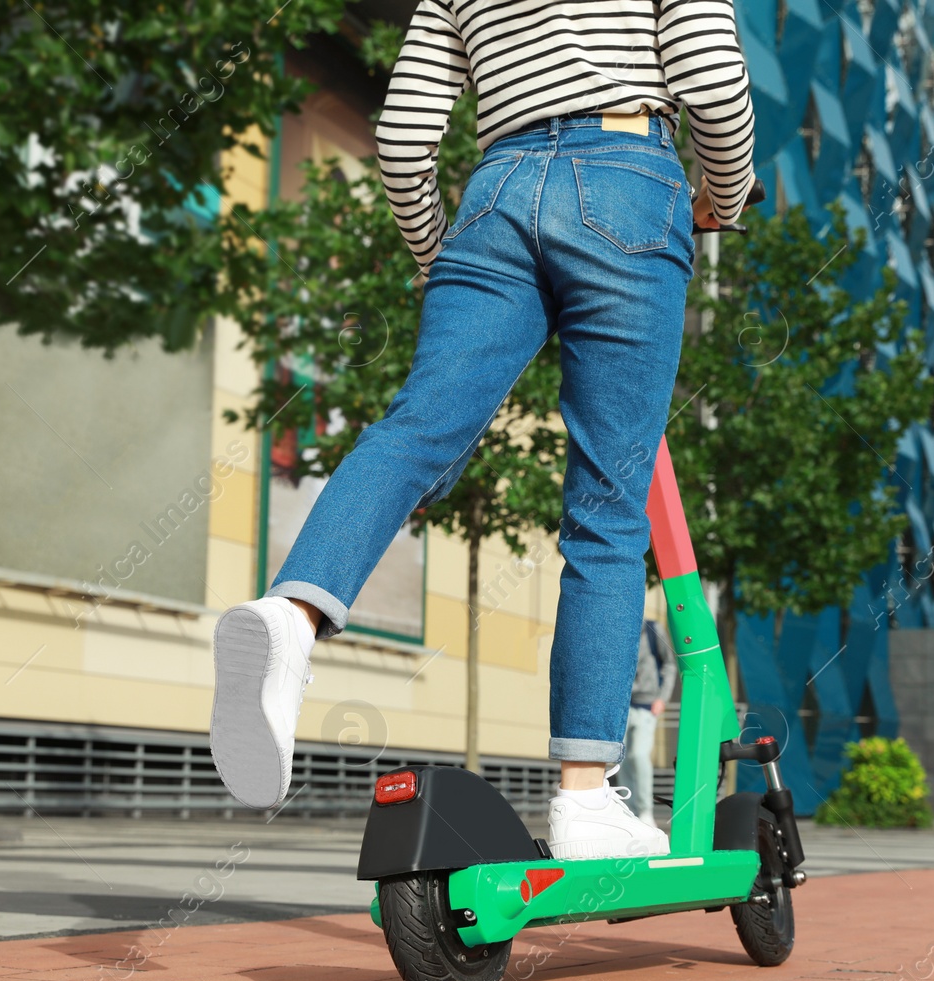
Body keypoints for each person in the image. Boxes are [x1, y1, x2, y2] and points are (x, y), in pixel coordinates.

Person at [210, 0, 756, 860]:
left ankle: (291, 614)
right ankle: (583, 797)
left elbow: (402, 137)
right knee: (608, 507)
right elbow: (713, 79)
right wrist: (718, 196)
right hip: (630, 182)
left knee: (416, 426)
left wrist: (442, 258)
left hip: (494, 192)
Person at [620, 619, 678, 829]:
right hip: (622, 704)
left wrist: (662, 697)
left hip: (648, 704)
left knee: (640, 755)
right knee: (622, 758)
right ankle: (628, 811)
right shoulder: (619, 627)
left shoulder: (653, 630)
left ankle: (645, 811)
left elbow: (670, 664)